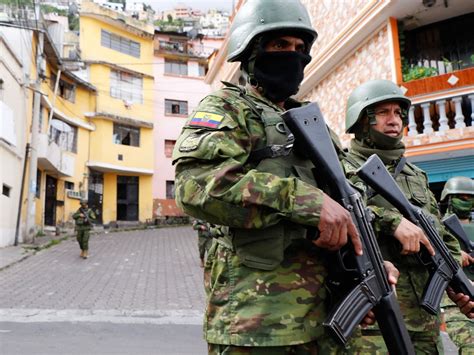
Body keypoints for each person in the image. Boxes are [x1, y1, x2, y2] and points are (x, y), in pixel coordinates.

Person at [172, 0, 403, 353]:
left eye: (299, 48)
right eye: (279, 45)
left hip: (325, 321)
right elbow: (197, 185)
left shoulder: (314, 125)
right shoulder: (228, 109)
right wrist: (305, 201)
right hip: (257, 324)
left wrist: (369, 259)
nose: (292, 56)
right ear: (251, 52)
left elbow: (348, 203)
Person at [341, 79, 473, 353]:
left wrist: (457, 281)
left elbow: (440, 234)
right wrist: (391, 222)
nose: (394, 120)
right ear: (361, 120)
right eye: (383, 112)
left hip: (425, 317)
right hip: (375, 316)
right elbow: (339, 216)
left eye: (398, 113)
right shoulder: (342, 167)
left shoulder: (416, 175)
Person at [440, 176, 474, 354]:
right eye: (461, 197)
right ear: (449, 199)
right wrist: (453, 254)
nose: (465, 202)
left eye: (469, 198)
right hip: (456, 298)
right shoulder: (438, 227)